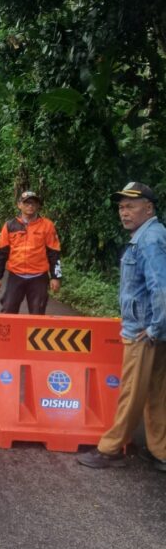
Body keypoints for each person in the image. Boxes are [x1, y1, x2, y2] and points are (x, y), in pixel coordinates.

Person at [78, 182, 166, 471]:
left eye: (131, 205)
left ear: (149, 207)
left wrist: (154, 328)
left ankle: (111, 448)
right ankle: (160, 450)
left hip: (145, 332)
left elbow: (161, 288)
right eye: (121, 207)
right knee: (157, 391)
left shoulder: (148, 240)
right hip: (152, 330)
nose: (124, 212)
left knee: (131, 391)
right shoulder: (150, 235)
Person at [0, 190, 62, 314]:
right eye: (27, 203)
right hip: (16, 275)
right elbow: (2, 253)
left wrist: (55, 277)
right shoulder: (9, 225)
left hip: (39, 277)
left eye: (33, 203)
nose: (30, 206)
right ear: (19, 205)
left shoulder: (47, 225)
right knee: (8, 310)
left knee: (37, 314)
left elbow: (54, 253)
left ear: (38, 206)